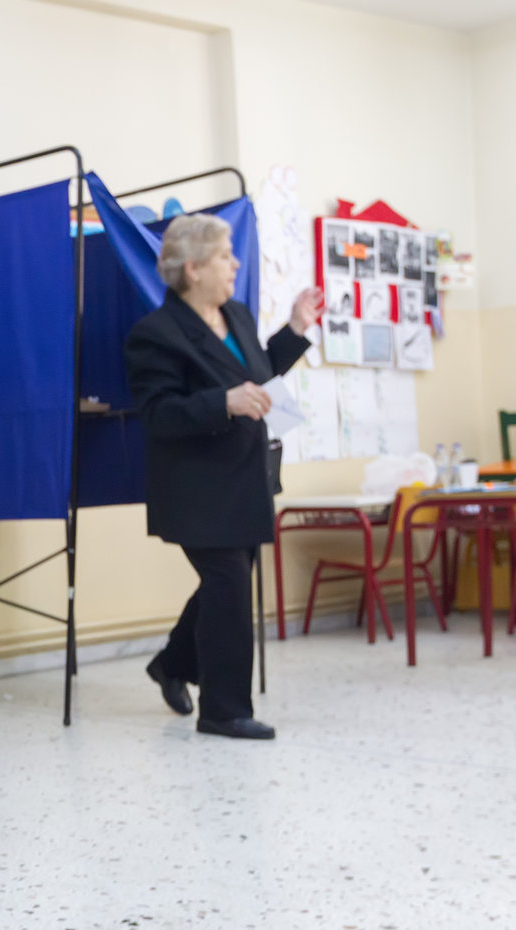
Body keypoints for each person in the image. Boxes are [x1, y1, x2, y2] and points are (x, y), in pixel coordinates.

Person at [125, 213, 324, 741]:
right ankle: (224, 709)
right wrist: (223, 402)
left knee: (225, 587)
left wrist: (296, 329)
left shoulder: (234, 314)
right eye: (223, 256)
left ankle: (172, 664)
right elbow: (160, 414)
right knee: (229, 585)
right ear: (192, 269)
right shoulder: (155, 335)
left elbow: (257, 375)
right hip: (196, 489)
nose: (235, 264)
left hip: (244, 478)